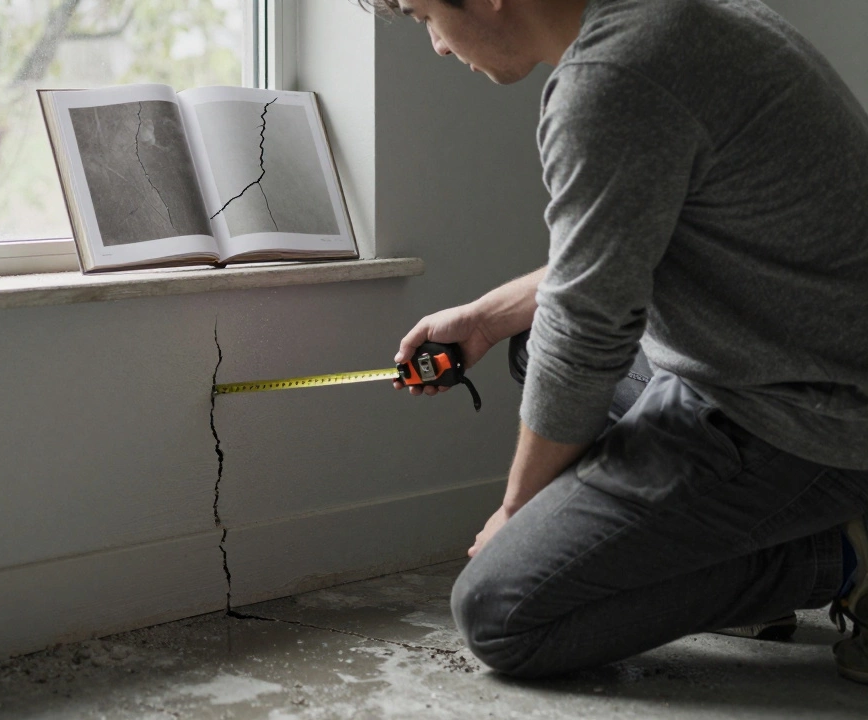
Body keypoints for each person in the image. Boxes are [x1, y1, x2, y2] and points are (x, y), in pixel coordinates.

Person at [363, 0, 868, 682]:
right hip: (769, 354)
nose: (439, 48)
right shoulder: (658, 19)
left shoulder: (613, 80)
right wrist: (484, 320)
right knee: (528, 342)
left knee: (501, 611)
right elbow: (608, 257)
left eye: (426, 16)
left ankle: (837, 557)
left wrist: (514, 513)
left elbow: (585, 334)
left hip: (810, 413)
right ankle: (732, 544)